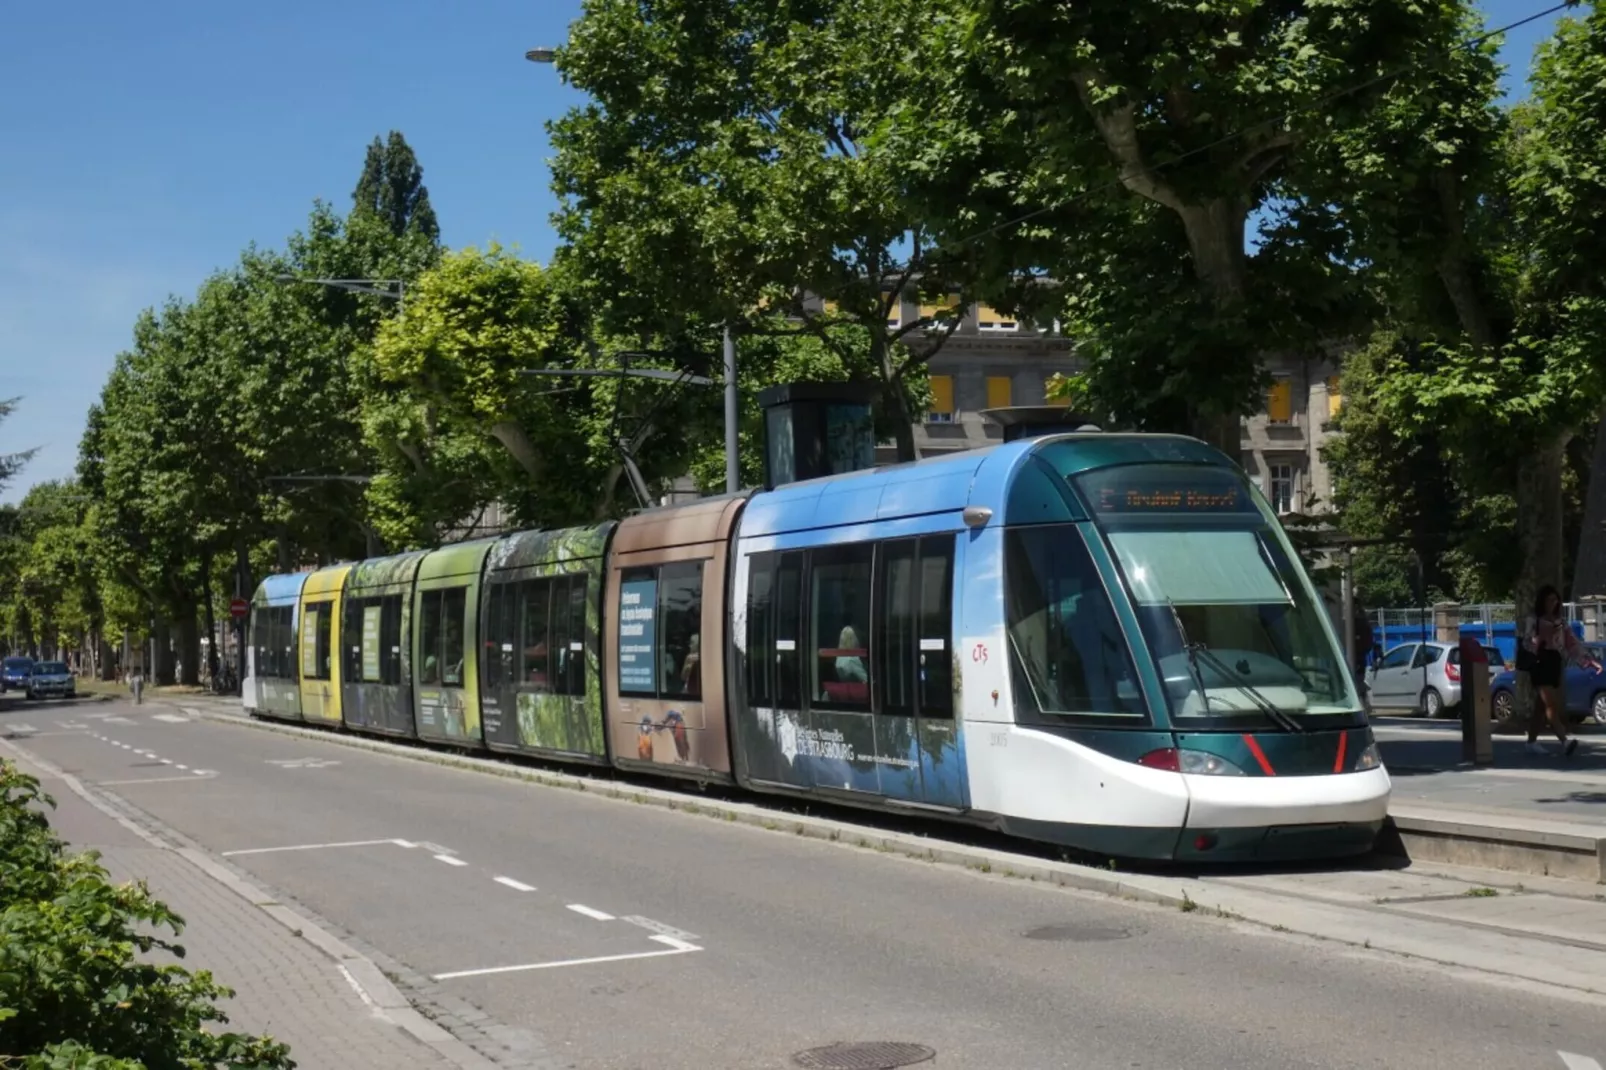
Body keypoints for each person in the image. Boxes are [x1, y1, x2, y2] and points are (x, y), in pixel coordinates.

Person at [1521, 585, 1597, 757]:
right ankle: (1565, 741)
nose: (1553, 603)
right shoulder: (1534, 619)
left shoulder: (1560, 621)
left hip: (1554, 662)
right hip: (1539, 661)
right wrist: (1541, 638)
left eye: (1555, 600)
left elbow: (1572, 643)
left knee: (1541, 707)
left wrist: (1589, 661)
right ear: (1542, 601)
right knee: (1551, 704)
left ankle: (1531, 741)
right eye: (1549, 600)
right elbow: (1527, 642)